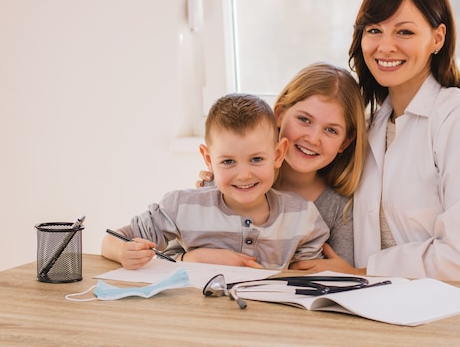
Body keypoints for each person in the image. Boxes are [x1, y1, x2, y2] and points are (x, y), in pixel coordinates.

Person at [291, 0, 460, 285]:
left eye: (405, 32)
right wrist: (233, 183)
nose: (385, 47)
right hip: (399, 304)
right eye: (374, 30)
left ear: (437, 38)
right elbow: (310, 179)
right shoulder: (370, 127)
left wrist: (361, 274)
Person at [101, 93, 330, 270]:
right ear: (208, 160)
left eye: (256, 159)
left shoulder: (303, 217)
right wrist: (123, 252)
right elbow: (111, 240)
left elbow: (306, 280)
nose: (243, 175)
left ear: (278, 155)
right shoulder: (182, 206)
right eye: (228, 161)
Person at [195, 63, 368, 266]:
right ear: (280, 115)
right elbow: (171, 253)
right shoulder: (233, 182)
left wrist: (342, 272)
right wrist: (190, 257)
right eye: (304, 119)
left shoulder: (338, 208)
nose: (313, 139)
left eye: (331, 130)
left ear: (345, 142)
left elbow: (341, 270)